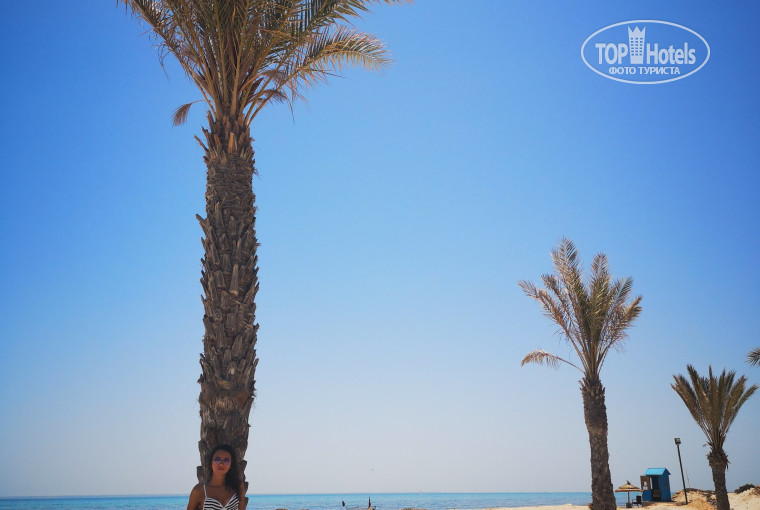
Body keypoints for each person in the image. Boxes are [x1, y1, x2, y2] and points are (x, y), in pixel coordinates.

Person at [187, 445, 247, 510]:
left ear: (230, 465)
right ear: (211, 464)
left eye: (226, 460)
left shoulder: (237, 487)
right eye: (217, 459)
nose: (221, 464)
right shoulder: (199, 490)